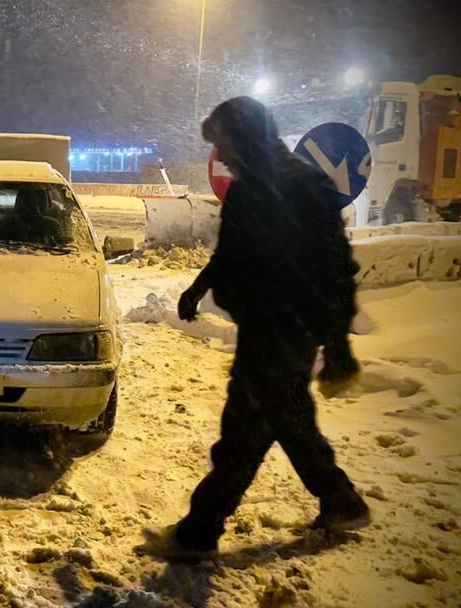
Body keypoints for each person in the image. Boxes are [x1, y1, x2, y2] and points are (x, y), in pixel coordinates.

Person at [149, 96, 368, 561]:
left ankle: (199, 533)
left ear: (244, 136)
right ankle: (341, 502)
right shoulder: (257, 188)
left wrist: (339, 343)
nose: (220, 156)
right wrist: (198, 287)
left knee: (243, 434)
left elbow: (336, 271)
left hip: (280, 332)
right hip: (269, 329)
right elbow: (233, 256)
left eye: (223, 143)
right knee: (289, 421)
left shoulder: (299, 189)